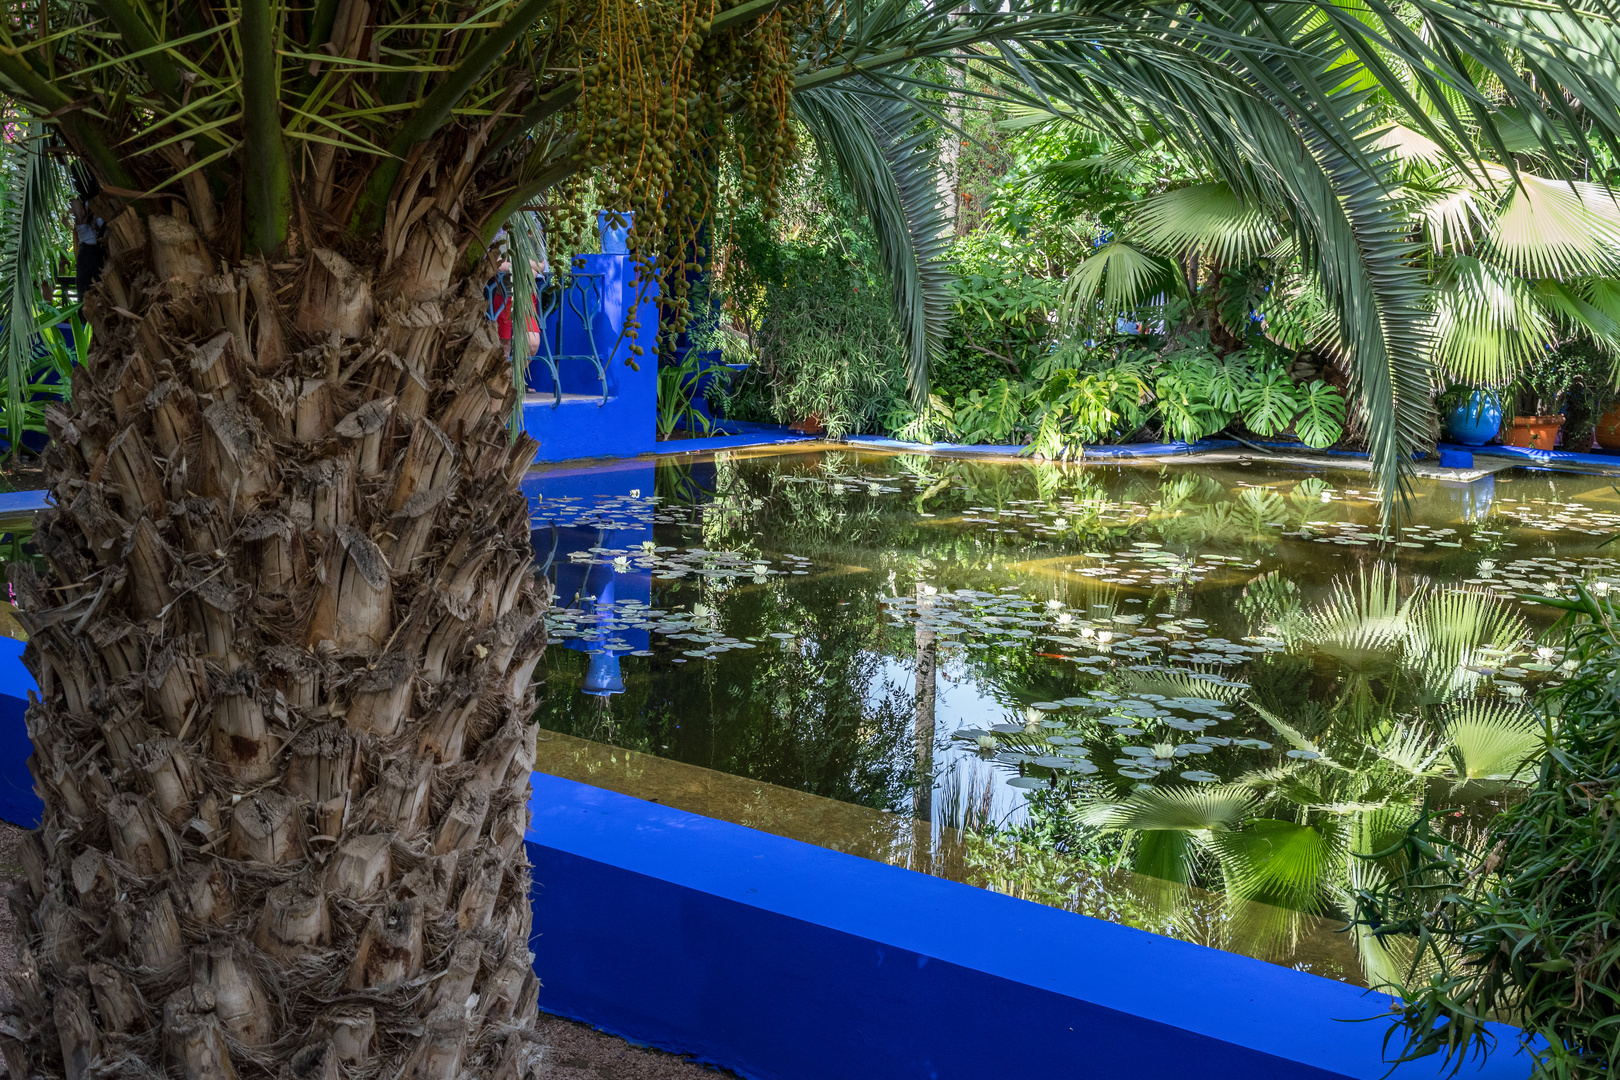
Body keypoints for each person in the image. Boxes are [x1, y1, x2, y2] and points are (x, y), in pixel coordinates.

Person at [71, 198, 105, 300]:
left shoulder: (103, 200)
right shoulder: (77, 202)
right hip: (88, 253)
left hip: (101, 252)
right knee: (86, 294)